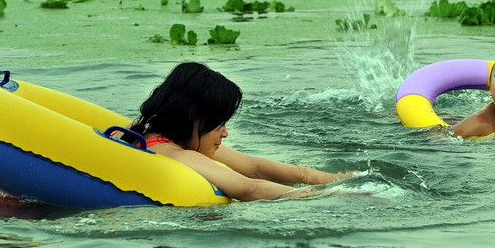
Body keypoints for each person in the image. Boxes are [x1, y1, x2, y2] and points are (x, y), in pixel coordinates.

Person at [124, 62, 351, 201]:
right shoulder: (180, 155)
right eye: (219, 124)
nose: (225, 133)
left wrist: (332, 179)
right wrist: (330, 196)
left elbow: (254, 168)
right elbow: (249, 189)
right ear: (192, 119)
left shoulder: (151, 134)